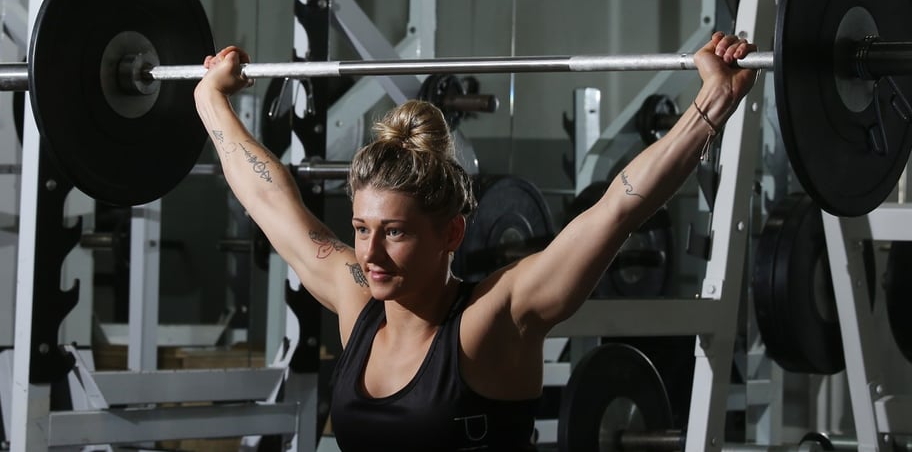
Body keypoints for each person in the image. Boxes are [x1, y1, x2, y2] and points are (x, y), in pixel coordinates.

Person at [193, 32, 757, 451]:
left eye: (395, 232)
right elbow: (272, 204)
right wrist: (210, 101)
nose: (370, 253)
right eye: (362, 229)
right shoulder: (358, 305)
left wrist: (712, 104)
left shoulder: (493, 321)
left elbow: (616, 211)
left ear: (452, 233)